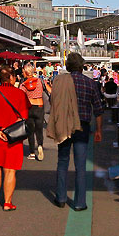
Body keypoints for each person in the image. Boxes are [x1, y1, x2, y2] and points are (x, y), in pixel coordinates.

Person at [49, 52, 103, 211]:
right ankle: (80, 203)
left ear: (68, 66)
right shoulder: (90, 83)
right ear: (81, 66)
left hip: (64, 125)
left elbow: (54, 102)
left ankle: (60, 198)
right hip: (82, 127)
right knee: (80, 165)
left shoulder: (58, 81)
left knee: (63, 161)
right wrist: (99, 130)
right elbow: (98, 110)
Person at [0, 66, 30, 211]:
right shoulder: (20, 94)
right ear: (12, 78)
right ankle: (8, 202)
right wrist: (8, 131)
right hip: (13, 137)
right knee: (10, 170)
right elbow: (23, 117)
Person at [20, 62, 51, 160]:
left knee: (30, 131)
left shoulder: (23, 84)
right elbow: (50, 91)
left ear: (25, 72)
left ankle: (32, 152)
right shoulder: (40, 81)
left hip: (29, 108)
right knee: (39, 129)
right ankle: (40, 145)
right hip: (39, 106)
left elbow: (20, 97)